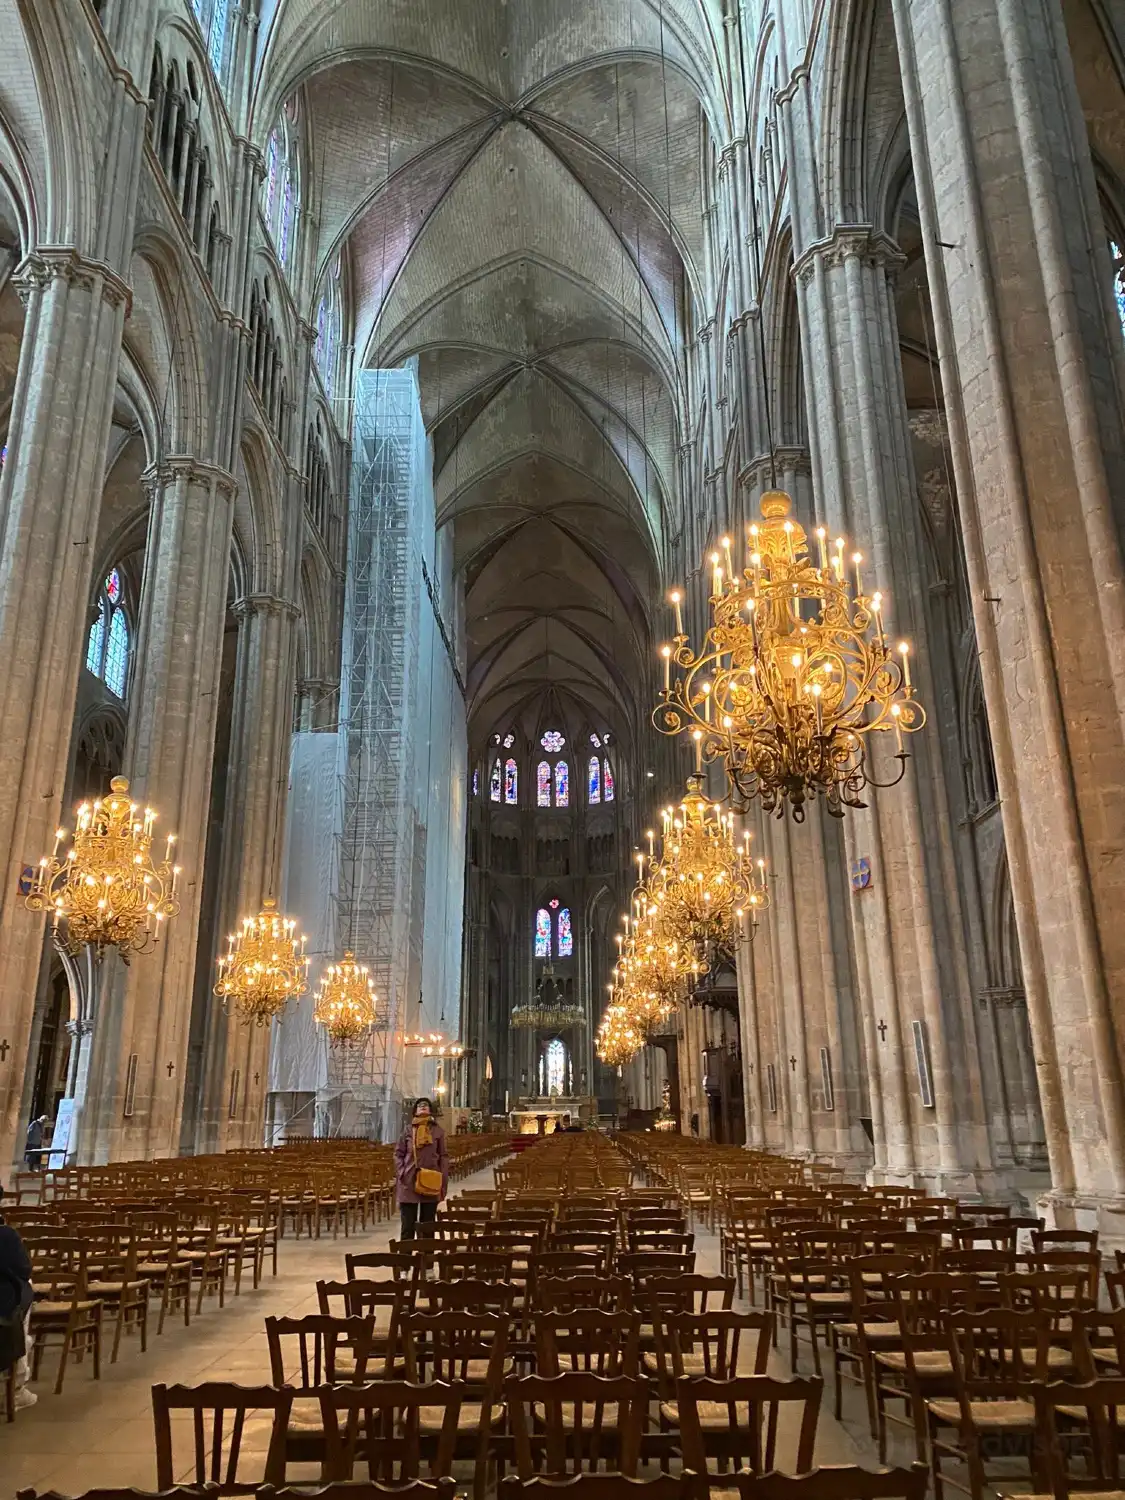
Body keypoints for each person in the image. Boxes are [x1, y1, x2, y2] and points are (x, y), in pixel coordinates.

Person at [0, 1183, 35, 1409]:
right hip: (3, 1305)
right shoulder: (6, 1235)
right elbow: (24, 1270)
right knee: (24, 1291)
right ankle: (15, 1390)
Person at [393, 1097, 448, 1241]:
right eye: (419, 1105)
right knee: (408, 1225)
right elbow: (398, 1154)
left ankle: (426, 1254)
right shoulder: (407, 1130)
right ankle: (406, 1254)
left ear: (431, 1110)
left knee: (427, 1225)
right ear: (415, 1111)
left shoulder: (437, 1131)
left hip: (431, 1180)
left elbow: (443, 1156)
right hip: (409, 1180)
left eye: (426, 1105)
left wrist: (443, 1180)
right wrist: (402, 1172)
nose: (423, 1106)